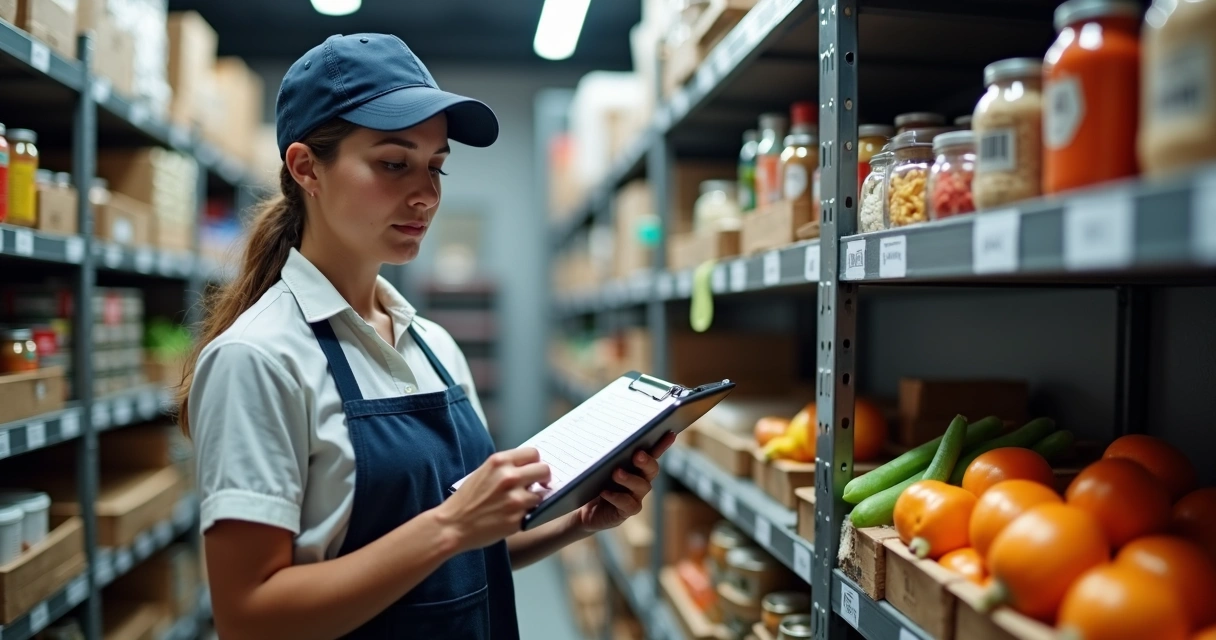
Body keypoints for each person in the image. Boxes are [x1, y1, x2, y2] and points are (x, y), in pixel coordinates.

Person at [178, 33, 674, 640]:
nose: (427, 194)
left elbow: (460, 561)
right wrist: (451, 525)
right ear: (307, 167)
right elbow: (249, 616)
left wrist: (577, 523)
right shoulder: (258, 358)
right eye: (394, 163)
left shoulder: (435, 347)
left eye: (436, 166)